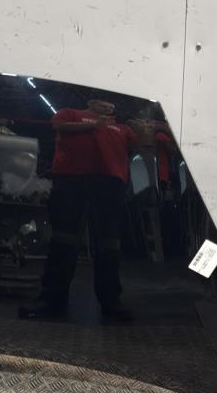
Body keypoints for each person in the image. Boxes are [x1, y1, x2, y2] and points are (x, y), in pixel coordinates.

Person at [21, 98, 139, 321]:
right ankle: (52, 299)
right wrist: (94, 125)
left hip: (109, 184)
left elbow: (138, 145)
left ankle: (111, 301)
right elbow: (57, 125)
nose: (109, 107)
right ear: (91, 102)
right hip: (71, 180)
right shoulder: (71, 113)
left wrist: (144, 131)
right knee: (63, 238)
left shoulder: (122, 127)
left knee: (109, 242)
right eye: (104, 104)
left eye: (111, 105)